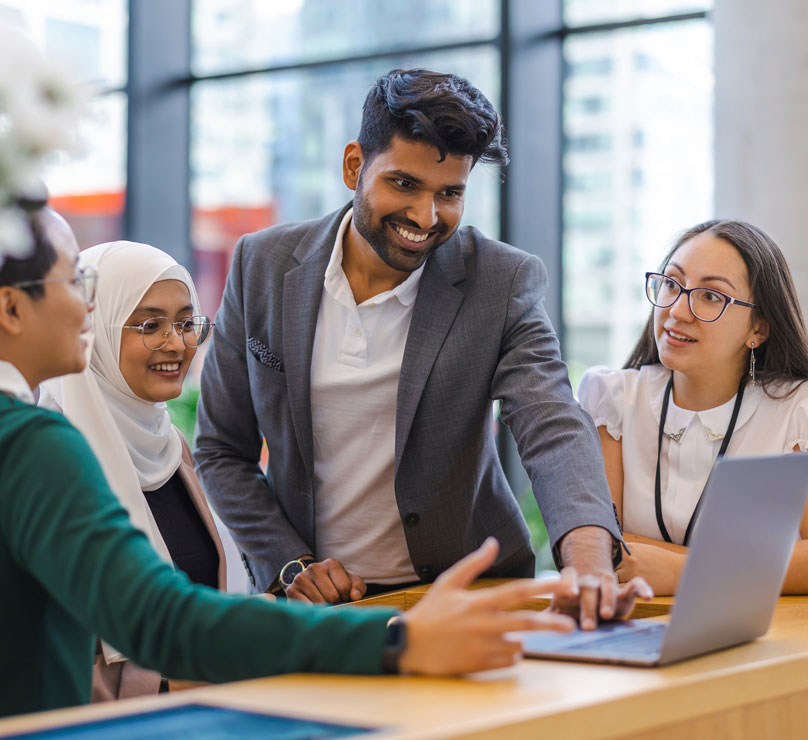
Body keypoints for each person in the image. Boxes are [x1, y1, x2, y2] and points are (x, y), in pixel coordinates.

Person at [0, 205, 607, 718]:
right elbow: (159, 621)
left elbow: (550, 423)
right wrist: (393, 640)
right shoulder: (37, 445)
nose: (87, 306)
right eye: (72, 284)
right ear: (11, 309)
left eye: (186, 323)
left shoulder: (147, 447)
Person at [194, 68, 647, 626]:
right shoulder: (260, 265)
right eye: (405, 184)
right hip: (318, 607)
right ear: (354, 166)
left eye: (450, 193)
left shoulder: (501, 282)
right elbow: (221, 451)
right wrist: (291, 564)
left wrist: (588, 563)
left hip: (462, 595)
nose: (426, 218)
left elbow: (551, 424)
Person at [38, 240, 238, 701]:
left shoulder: (170, 447)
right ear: (93, 328)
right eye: (151, 325)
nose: (178, 343)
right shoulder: (51, 460)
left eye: (187, 323)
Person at [579, 220, 808, 595]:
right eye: (672, 284)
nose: (678, 311)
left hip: (761, 635)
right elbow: (601, 544)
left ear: (759, 330)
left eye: (711, 296)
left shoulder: (796, 410)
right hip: (636, 622)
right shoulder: (613, 398)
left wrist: (684, 571)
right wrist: (756, 564)